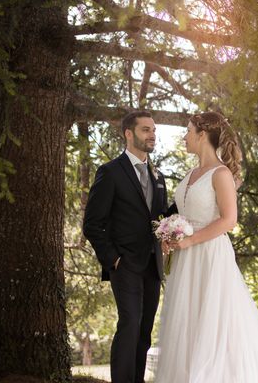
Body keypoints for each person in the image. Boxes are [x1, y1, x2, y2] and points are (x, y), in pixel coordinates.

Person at [155, 111, 258, 382]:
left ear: (202, 135)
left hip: (209, 255)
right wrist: (172, 234)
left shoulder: (221, 173)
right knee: (187, 321)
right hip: (185, 259)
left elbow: (229, 220)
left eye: (189, 131)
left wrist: (190, 239)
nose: (185, 136)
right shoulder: (192, 172)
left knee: (213, 321)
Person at [83, 110, 172, 383]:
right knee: (130, 324)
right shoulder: (110, 172)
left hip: (152, 265)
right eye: (146, 129)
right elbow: (92, 223)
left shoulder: (158, 177)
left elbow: (161, 219)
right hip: (125, 264)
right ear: (129, 133)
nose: (152, 134)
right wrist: (113, 260)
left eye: (154, 130)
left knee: (144, 330)